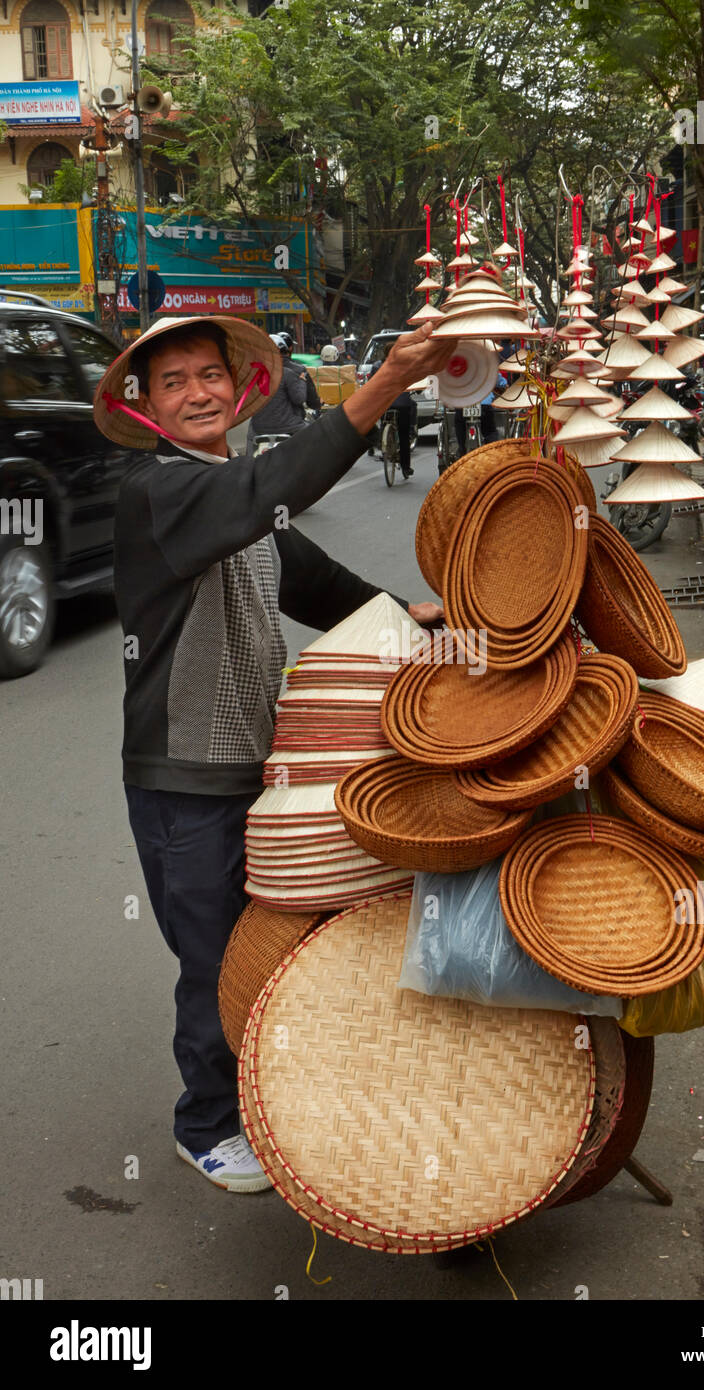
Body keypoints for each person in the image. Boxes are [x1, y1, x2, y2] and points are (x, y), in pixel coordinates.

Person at [93, 314, 452, 1192]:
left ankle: (278, 1084)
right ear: (143, 404)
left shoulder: (232, 488)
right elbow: (267, 490)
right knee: (212, 954)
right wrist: (387, 384)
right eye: (171, 382)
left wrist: (407, 617)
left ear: (237, 384)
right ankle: (206, 1121)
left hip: (263, 766)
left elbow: (315, 579)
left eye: (207, 375)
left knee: (275, 940)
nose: (195, 393)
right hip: (184, 776)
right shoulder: (157, 489)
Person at [246, 330, 321, 448]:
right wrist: (302, 381)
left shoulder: (256, 375)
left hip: (259, 428)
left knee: (251, 439)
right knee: (316, 437)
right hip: (289, 427)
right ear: (287, 350)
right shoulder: (293, 371)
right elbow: (300, 399)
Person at [369, 340, 417, 478]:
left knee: (384, 423)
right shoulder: (405, 365)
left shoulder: (377, 366)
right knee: (403, 435)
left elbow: (371, 385)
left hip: (384, 404)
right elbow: (413, 381)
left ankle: (383, 440)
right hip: (403, 405)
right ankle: (406, 467)